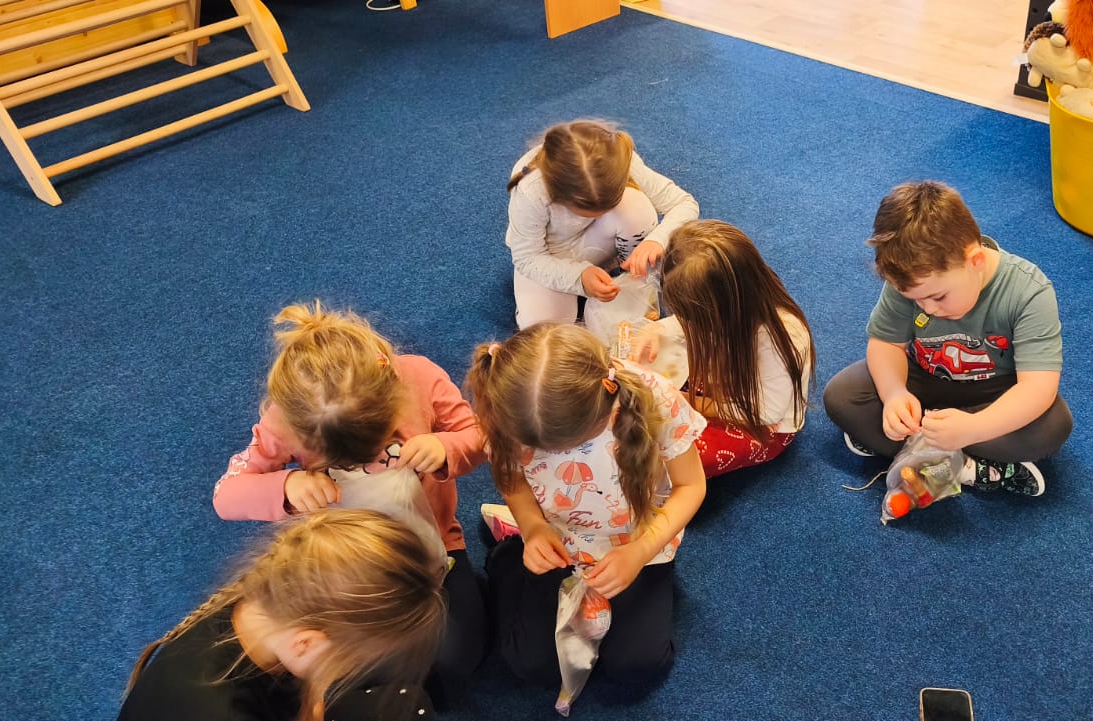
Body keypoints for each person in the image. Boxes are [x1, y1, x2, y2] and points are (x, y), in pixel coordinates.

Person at [211, 302, 488, 691]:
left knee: (459, 658)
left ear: (396, 396)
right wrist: (286, 486)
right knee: (346, 675)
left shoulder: (419, 378)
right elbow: (226, 495)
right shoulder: (285, 417)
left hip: (432, 547)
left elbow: (480, 435)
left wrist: (445, 448)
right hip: (345, 565)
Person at [467, 322, 707, 687]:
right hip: (559, 542)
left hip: (641, 544)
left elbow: (691, 486)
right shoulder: (504, 411)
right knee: (532, 666)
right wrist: (533, 527)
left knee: (636, 668)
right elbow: (512, 480)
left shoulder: (655, 397)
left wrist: (640, 552)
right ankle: (509, 551)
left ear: (608, 410)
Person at [823, 180, 1073, 494]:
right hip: (924, 379)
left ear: (975, 261)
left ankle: (925, 452)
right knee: (842, 395)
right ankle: (973, 467)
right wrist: (894, 394)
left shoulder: (1029, 292)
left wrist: (975, 427)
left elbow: (1037, 388)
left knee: (1053, 425)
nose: (928, 308)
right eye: (915, 300)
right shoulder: (913, 278)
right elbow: (886, 344)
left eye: (939, 297)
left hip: (994, 392)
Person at [117, 509, 447, 721]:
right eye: (353, 662)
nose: (353, 670)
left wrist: (313, 695)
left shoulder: (266, 598)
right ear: (305, 644)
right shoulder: (219, 708)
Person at [637, 219, 814, 477]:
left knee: (672, 458)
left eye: (696, 316)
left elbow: (766, 412)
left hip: (762, 423)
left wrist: (692, 402)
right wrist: (655, 331)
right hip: (721, 386)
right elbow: (684, 322)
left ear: (723, 308)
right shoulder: (735, 299)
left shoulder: (784, 337)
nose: (688, 322)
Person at [505, 118, 700, 329]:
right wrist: (578, 277)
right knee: (543, 328)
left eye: (608, 209)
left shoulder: (616, 159)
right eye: (590, 213)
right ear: (559, 198)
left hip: (594, 245)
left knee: (636, 210)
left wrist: (657, 240)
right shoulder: (532, 190)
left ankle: (632, 276)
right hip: (550, 256)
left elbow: (684, 203)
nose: (600, 218)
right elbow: (527, 257)